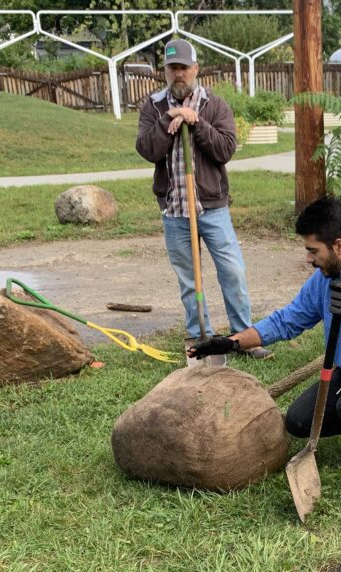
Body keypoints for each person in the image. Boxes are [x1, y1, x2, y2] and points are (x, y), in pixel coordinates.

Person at [188, 196, 341, 481]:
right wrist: (232, 342)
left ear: (339, 246)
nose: (308, 258)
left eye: (313, 250)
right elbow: (288, 320)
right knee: (299, 421)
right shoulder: (325, 280)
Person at [135, 38, 270, 364]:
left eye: (184, 67)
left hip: (212, 207)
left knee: (233, 272)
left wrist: (195, 122)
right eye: (172, 68)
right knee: (188, 280)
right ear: (164, 72)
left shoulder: (215, 105)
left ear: (196, 69)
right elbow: (147, 150)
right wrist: (170, 121)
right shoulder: (152, 107)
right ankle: (202, 336)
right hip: (174, 210)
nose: (178, 74)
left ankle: (244, 338)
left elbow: (225, 149)